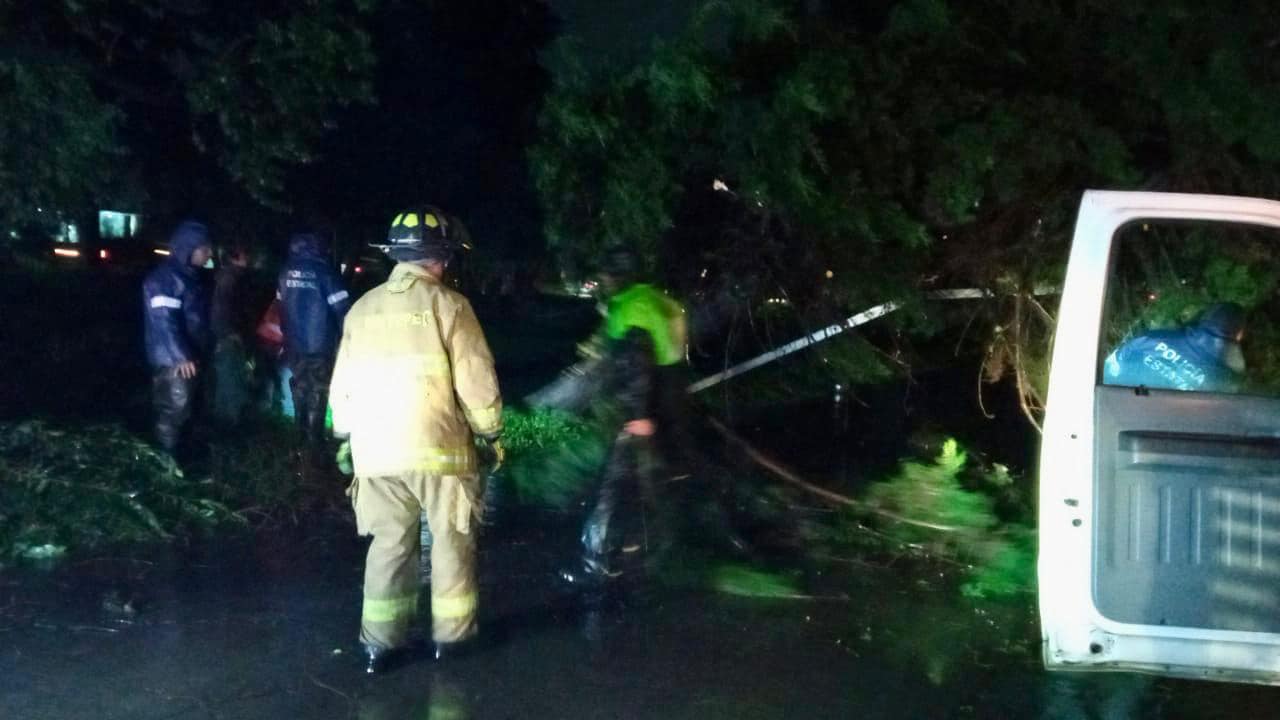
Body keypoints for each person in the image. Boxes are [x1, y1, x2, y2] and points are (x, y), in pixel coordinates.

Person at [329, 206, 504, 673]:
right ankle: (452, 642)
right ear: (440, 257)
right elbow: (477, 382)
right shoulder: (450, 306)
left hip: (375, 456)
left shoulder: (361, 309)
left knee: (389, 545)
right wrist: (490, 432)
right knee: (450, 541)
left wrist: (345, 436)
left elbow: (341, 388)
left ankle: (379, 647)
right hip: (441, 455)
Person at [560, 247, 688, 590]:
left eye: (605, 275)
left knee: (612, 492)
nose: (602, 281)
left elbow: (638, 363)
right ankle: (651, 555)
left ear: (616, 276)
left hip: (643, 411)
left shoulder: (632, 308)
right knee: (648, 486)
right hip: (664, 409)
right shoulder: (650, 300)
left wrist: (639, 415)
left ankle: (595, 565)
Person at [142, 220, 213, 456]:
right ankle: (165, 467)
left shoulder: (187, 276)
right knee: (172, 413)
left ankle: (180, 462)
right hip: (175, 363)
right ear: (189, 248)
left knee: (185, 412)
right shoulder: (166, 278)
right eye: (205, 249)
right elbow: (163, 320)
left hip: (187, 358)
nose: (208, 254)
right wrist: (181, 356)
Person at [277, 229, 351, 449]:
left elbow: (280, 306)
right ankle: (314, 438)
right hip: (321, 343)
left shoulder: (285, 272)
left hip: (294, 343)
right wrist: (346, 340)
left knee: (300, 384)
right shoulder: (325, 273)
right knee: (319, 388)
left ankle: (298, 433)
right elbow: (343, 310)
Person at [1104, 301, 1247, 393]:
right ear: (1239, 334)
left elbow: (1111, 365)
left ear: (1204, 318)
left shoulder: (1152, 337)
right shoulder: (1226, 381)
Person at [210, 245, 254, 426]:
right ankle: (228, 424)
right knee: (230, 380)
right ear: (235, 258)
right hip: (229, 338)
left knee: (230, 378)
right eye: (244, 255)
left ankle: (227, 422)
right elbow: (222, 310)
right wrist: (231, 333)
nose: (248, 258)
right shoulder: (230, 279)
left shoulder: (231, 277)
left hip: (229, 336)